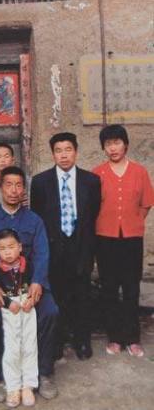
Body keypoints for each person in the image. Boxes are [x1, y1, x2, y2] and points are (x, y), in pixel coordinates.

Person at [0, 166, 59, 403]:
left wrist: (38, 282)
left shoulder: (34, 220)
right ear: (0, 187)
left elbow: (43, 254)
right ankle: (3, 377)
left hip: (30, 284)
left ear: (24, 189)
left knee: (49, 312)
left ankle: (43, 373)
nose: (14, 190)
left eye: (19, 185)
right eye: (9, 185)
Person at [30, 132, 101, 361]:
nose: (64, 155)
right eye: (58, 151)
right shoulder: (41, 182)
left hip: (80, 245)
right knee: (57, 295)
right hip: (53, 247)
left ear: (76, 151)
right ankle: (57, 341)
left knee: (82, 294)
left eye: (68, 149)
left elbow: (93, 213)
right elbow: (38, 217)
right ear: (53, 154)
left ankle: (82, 340)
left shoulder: (91, 181)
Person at [93, 124, 154, 357]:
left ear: (125, 144)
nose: (113, 148)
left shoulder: (139, 172)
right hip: (105, 238)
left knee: (130, 288)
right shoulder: (98, 173)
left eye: (117, 142)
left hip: (131, 239)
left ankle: (133, 338)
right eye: (108, 144)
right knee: (109, 288)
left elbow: (146, 203)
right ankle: (115, 338)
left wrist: (134, 221)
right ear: (104, 148)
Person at [0, 229, 38, 407]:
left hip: (27, 307)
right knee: (12, 348)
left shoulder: (29, 265)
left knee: (29, 345)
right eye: (2, 248)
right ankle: (13, 387)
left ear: (20, 247)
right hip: (10, 310)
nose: (8, 252)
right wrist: (7, 303)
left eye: (11, 247)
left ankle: (28, 385)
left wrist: (31, 300)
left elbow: (35, 286)